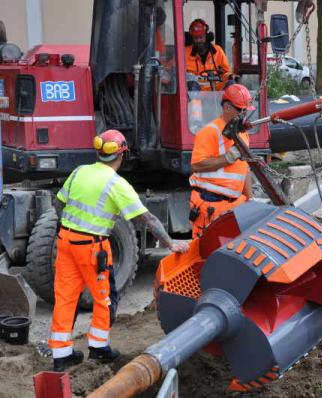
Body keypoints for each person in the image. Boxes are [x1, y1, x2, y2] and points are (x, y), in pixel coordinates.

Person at [48, 129, 189, 372]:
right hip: (92, 248)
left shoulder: (79, 172)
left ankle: (61, 355)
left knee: (65, 298)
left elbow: (58, 203)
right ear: (121, 155)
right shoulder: (116, 184)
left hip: (65, 241)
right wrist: (171, 244)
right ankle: (99, 348)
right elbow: (149, 220)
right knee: (104, 298)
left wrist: (72, 225)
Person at [189, 84, 254, 237]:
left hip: (233, 205)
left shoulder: (242, 134)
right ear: (227, 107)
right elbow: (196, 165)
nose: (244, 114)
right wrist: (227, 158)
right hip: (209, 204)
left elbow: (245, 169)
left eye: (246, 110)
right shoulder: (209, 132)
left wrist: (250, 199)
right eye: (240, 110)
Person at [185, 18, 234, 91]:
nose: (198, 41)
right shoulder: (184, 52)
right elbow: (175, 72)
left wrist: (230, 76)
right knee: (191, 85)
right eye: (195, 38)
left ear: (207, 36)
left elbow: (226, 72)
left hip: (217, 89)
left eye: (201, 37)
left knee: (231, 84)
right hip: (195, 92)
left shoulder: (218, 51)